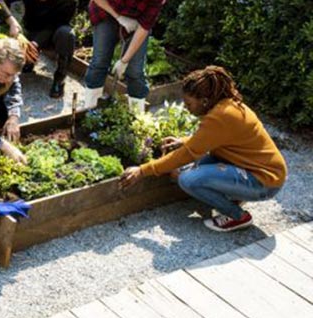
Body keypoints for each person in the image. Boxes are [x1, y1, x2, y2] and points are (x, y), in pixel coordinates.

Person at [120, 67, 287, 232]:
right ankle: (235, 195)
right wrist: (184, 141)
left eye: (189, 103)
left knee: (188, 179)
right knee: (194, 169)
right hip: (251, 167)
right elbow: (212, 138)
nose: (186, 107)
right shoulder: (226, 106)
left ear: (205, 101)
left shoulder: (221, 116)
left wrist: (142, 171)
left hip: (265, 181)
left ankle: (237, 216)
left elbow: (187, 154)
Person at [81, 0, 168, 113]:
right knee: (100, 61)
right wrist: (119, 17)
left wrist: (124, 61)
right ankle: (90, 109)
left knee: (135, 70)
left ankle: (137, 116)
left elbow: (144, 27)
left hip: (137, 22)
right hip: (107, 13)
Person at [0, 0, 78, 98]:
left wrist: (35, 44)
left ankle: (59, 79)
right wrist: (11, 21)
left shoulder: (69, 0)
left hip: (53, 35)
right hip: (31, 30)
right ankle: (29, 62)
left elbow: (53, 26)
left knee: (67, 34)